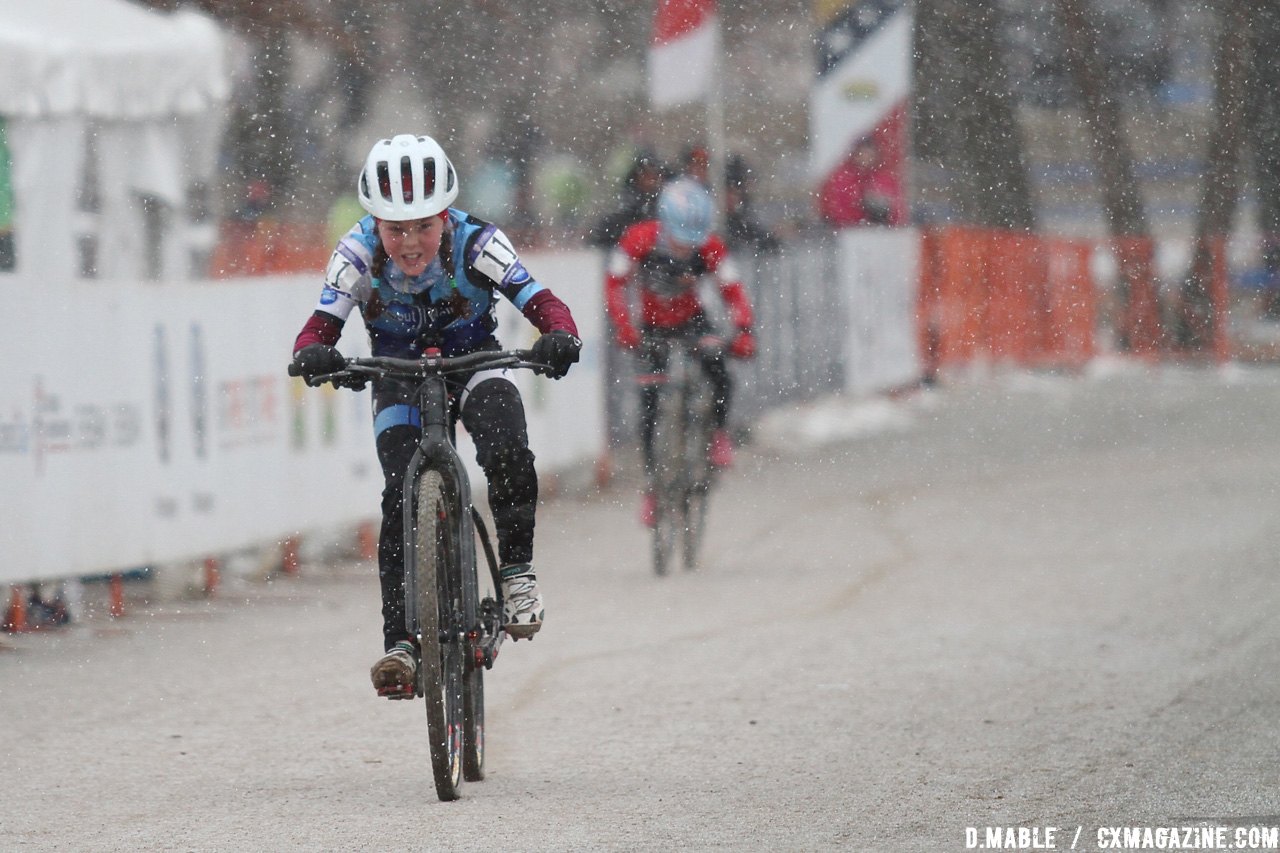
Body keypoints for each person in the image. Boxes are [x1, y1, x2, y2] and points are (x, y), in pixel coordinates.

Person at [291, 134, 582, 698]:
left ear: (446, 216)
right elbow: (319, 326)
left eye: (424, 226)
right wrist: (314, 352)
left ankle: (517, 575)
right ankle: (400, 641)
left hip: (473, 359)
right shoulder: (354, 253)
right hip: (397, 370)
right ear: (374, 223)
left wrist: (559, 334)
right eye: (395, 229)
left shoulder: (478, 242)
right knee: (399, 494)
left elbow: (539, 299)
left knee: (508, 451)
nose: (410, 243)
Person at [604, 177, 756, 525]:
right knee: (649, 406)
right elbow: (614, 282)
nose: (687, 249)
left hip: (693, 321)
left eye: (694, 242)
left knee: (718, 368)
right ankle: (653, 488)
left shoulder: (711, 247)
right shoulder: (639, 239)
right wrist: (623, 325)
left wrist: (744, 329)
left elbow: (732, 288)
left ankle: (717, 434)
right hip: (651, 327)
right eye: (679, 240)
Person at [817, 137, 906, 227]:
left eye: (869, 154)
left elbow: (897, 209)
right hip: (845, 231)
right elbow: (834, 208)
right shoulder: (841, 178)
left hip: (880, 232)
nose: (866, 158)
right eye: (863, 154)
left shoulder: (884, 179)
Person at [587, 149, 666, 248]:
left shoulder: (664, 199)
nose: (651, 181)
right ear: (638, 176)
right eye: (647, 176)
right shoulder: (630, 201)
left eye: (654, 177)